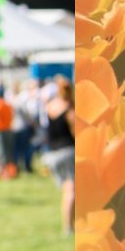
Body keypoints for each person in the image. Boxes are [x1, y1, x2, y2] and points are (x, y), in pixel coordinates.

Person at [40, 75, 75, 234]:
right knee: (71, 191)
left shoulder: (50, 106)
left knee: (67, 191)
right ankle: (68, 227)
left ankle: (71, 224)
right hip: (67, 151)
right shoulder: (69, 109)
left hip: (52, 154)